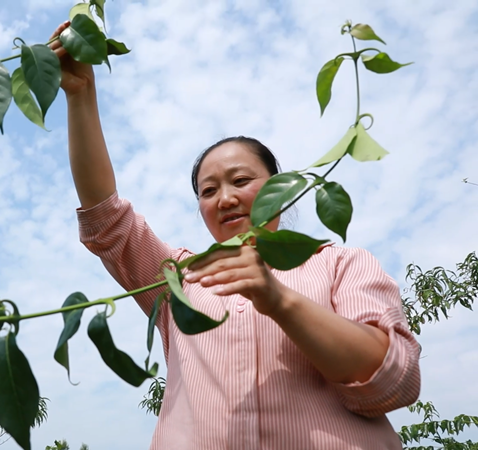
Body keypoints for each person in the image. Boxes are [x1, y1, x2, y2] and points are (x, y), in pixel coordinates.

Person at [49, 21, 421, 450]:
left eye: (240, 180)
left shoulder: (340, 263)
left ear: (281, 189)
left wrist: (278, 299)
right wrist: (80, 94)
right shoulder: (181, 276)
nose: (224, 198)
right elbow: (106, 217)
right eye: (208, 191)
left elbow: (394, 379)